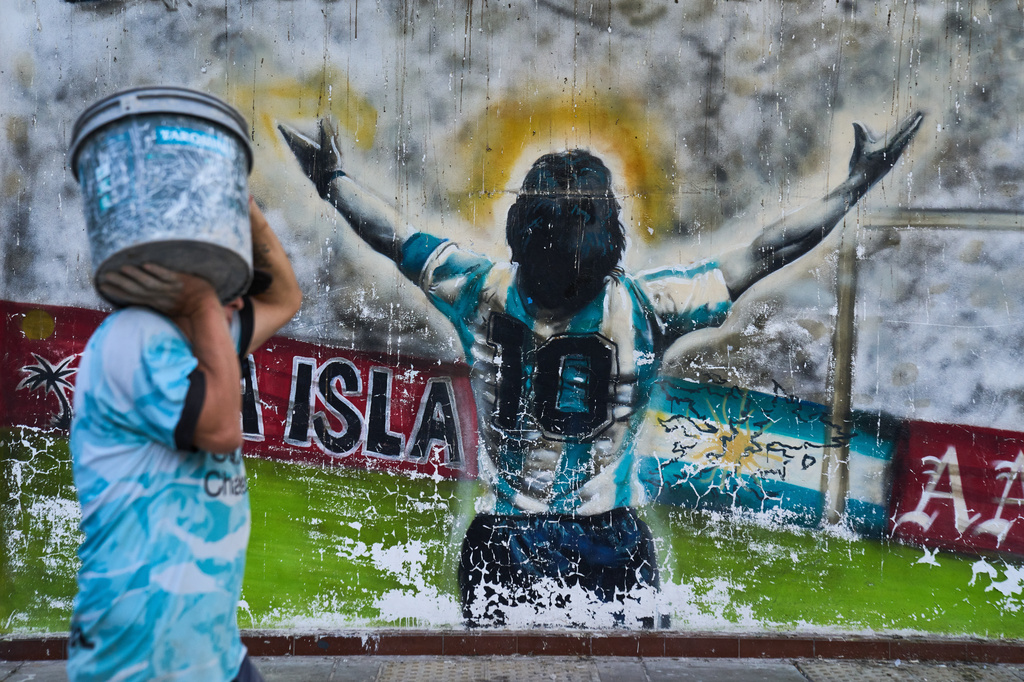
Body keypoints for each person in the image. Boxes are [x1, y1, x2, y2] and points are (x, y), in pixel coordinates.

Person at [279, 112, 921, 627]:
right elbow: (770, 248)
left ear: (521, 226)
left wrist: (329, 180)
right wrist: (855, 186)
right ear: (610, 231)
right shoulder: (648, 305)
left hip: (504, 540)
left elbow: (391, 234)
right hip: (609, 541)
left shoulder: (474, 288)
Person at [67, 198, 302, 681]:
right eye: (226, 290)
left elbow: (283, 298)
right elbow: (220, 430)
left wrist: (248, 208)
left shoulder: (196, 338)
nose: (238, 304)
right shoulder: (134, 337)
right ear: (183, 288)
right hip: (140, 661)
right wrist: (200, 300)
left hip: (212, 652)